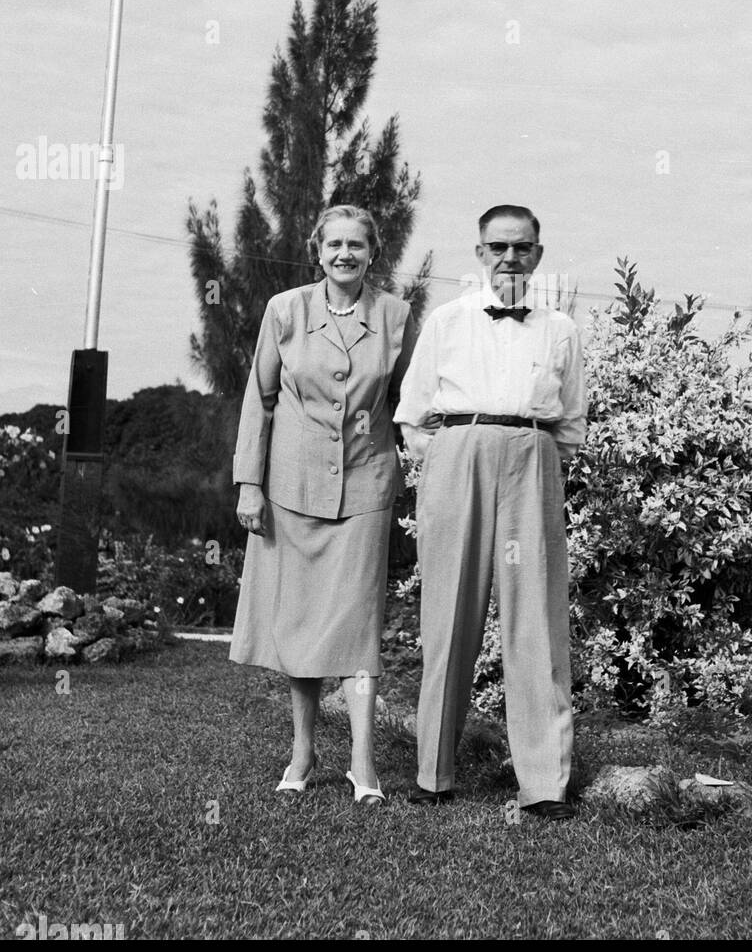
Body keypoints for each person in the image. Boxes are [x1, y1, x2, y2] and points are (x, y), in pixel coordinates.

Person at [394, 204, 586, 821]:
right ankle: (434, 772)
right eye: (498, 247)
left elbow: (571, 423)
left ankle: (545, 783)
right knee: (450, 613)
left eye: (522, 248)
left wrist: (527, 457)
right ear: (479, 253)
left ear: (538, 253)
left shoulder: (560, 330)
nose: (510, 258)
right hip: (458, 457)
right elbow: (412, 415)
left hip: (532, 458)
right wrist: (454, 456)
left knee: (536, 618)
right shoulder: (447, 321)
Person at [230, 204, 418, 805]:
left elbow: (410, 401)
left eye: (356, 245)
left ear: (373, 253)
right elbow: (259, 399)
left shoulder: (395, 317)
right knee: (300, 622)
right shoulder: (285, 311)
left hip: (365, 486)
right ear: (317, 252)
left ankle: (363, 763)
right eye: (334, 244)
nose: (345, 254)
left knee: (358, 624)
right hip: (291, 486)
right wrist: (248, 483)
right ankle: (303, 751)